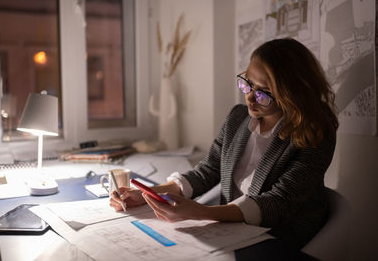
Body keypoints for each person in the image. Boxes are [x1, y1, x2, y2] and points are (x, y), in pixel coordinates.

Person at [110, 38, 338, 250]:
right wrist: (148, 194)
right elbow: (208, 171)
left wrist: (201, 212)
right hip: (231, 229)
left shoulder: (315, 133)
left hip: (281, 236)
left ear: (292, 96)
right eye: (247, 83)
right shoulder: (238, 118)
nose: (249, 97)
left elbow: (278, 203)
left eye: (264, 94)